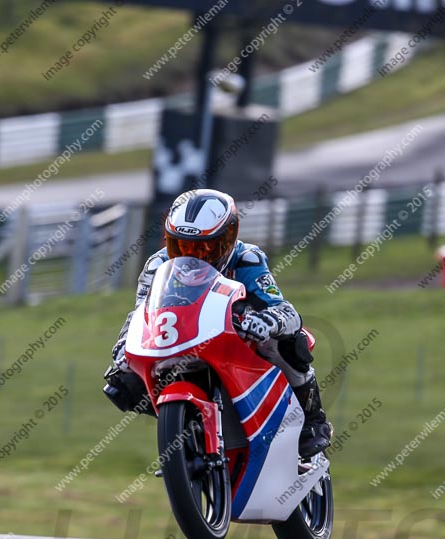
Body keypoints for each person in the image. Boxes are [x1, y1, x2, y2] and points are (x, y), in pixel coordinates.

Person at [104, 189, 332, 458]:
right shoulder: (157, 265)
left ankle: (313, 420)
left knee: (291, 343)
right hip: (182, 336)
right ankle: (185, 434)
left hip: (237, 334)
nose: (193, 257)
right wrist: (124, 345)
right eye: (182, 247)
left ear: (228, 238)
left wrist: (268, 321)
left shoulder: (247, 259)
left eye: (204, 248)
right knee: (122, 384)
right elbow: (142, 313)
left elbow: (284, 310)